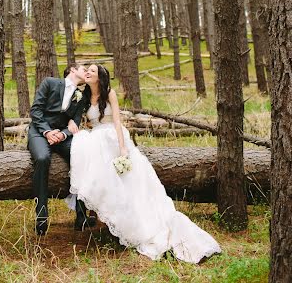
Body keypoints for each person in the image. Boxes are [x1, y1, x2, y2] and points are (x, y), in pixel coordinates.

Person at [66, 64, 221, 263]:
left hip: (112, 137)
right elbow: (78, 117)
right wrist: (72, 123)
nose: (86, 73)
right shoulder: (83, 96)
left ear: (100, 77)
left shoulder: (109, 93)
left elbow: (117, 122)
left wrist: (123, 148)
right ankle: (108, 218)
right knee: (91, 157)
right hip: (95, 138)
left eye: (91, 71)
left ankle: (138, 224)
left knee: (129, 183)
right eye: (85, 70)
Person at [28, 62, 95, 235]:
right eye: (83, 69)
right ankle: (41, 216)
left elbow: (76, 121)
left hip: (62, 137)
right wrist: (48, 132)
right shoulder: (50, 82)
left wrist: (63, 134)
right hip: (39, 131)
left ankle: (81, 215)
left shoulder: (81, 95)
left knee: (81, 156)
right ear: (73, 70)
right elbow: (36, 110)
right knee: (42, 158)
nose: (86, 73)